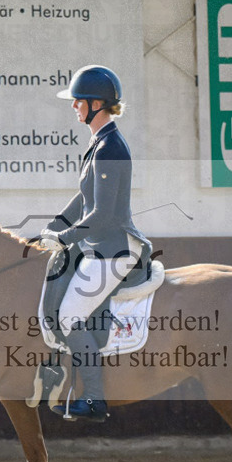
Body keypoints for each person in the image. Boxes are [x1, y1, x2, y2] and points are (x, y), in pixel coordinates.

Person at [40, 65, 151, 422]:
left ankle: (94, 399)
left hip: (113, 249)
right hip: (98, 247)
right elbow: (83, 198)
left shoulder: (110, 147)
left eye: (78, 101)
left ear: (96, 103)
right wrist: (54, 227)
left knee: (70, 316)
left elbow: (102, 213)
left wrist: (66, 237)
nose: (73, 106)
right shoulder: (98, 143)